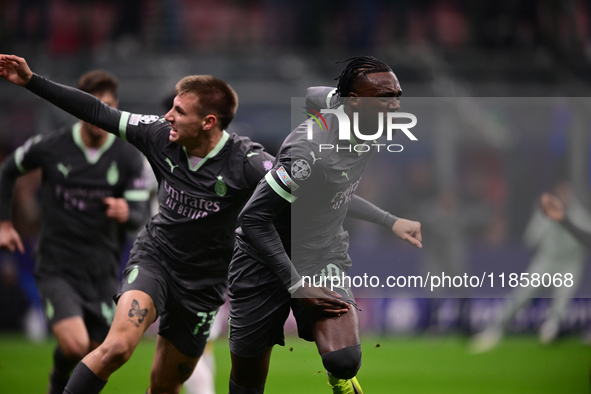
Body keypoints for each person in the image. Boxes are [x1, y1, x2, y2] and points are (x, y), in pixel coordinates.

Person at [0, 54, 276, 394]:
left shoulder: (246, 162)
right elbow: (98, 111)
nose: (168, 116)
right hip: (156, 261)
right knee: (116, 347)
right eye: (171, 107)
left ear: (209, 122)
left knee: (165, 384)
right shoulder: (159, 135)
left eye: (179, 112)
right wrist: (31, 80)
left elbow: (296, 190)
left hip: (205, 285)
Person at [227, 56, 423, 394]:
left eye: (397, 95)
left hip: (321, 254)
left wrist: (390, 221)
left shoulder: (355, 112)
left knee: (344, 361)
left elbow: (313, 95)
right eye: (385, 97)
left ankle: (338, 379)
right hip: (261, 259)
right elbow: (254, 219)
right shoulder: (308, 153)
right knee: (247, 382)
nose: (395, 105)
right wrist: (295, 285)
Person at [0, 69, 150, 394]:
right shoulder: (52, 146)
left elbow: (139, 215)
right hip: (58, 267)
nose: (99, 116)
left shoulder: (128, 155)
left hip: (103, 272)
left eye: (107, 106)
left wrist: (128, 212)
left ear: (115, 107)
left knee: (96, 353)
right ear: (78, 108)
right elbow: (8, 169)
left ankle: (60, 382)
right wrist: (4, 223)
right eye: (92, 107)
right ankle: (58, 382)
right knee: (76, 345)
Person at [471, 180, 591, 352]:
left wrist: (564, 222)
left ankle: (550, 331)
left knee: (561, 302)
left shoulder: (581, 215)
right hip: (546, 261)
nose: (564, 195)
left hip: (569, 265)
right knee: (520, 296)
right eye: (561, 191)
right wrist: (548, 222)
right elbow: (530, 239)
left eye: (567, 191)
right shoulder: (545, 210)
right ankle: (494, 329)